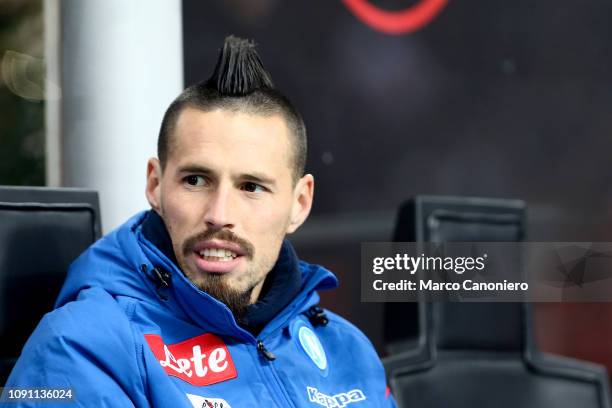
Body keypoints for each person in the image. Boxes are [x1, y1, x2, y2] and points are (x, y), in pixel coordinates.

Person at [5, 36, 396, 408]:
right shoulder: (80, 346)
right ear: (155, 185)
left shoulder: (347, 350)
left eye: (252, 187)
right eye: (195, 180)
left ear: (299, 203)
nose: (220, 215)